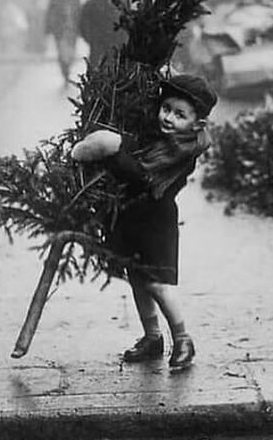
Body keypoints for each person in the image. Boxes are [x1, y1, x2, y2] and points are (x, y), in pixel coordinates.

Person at [72, 72, 218, 370]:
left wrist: (113, 152)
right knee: (137, 278)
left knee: (158, 283)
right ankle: (152, 337)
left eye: (180, 115)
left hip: (155, 222)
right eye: (166, 109)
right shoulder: (161, 137)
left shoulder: (183, 149)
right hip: (134, 217)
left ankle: (183, 339)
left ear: (196, 124)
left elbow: (144, 178)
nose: (168, 118)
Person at [44, 0, 81, 87]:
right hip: (60, 32)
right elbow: (49, 14)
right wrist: (48, 29)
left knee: (71, 53)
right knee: (61, 54)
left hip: (72, 31)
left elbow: (80, 14)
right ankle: (65, 74)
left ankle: (68, 69)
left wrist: (80, 29)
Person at [79, 0, 127, 67]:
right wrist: (92, 38)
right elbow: (84, 25)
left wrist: (122, 40)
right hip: (97, 46)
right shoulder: (91, 4)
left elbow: (127, 25)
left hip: (116, 47)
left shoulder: (122, 5)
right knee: (97, 70)